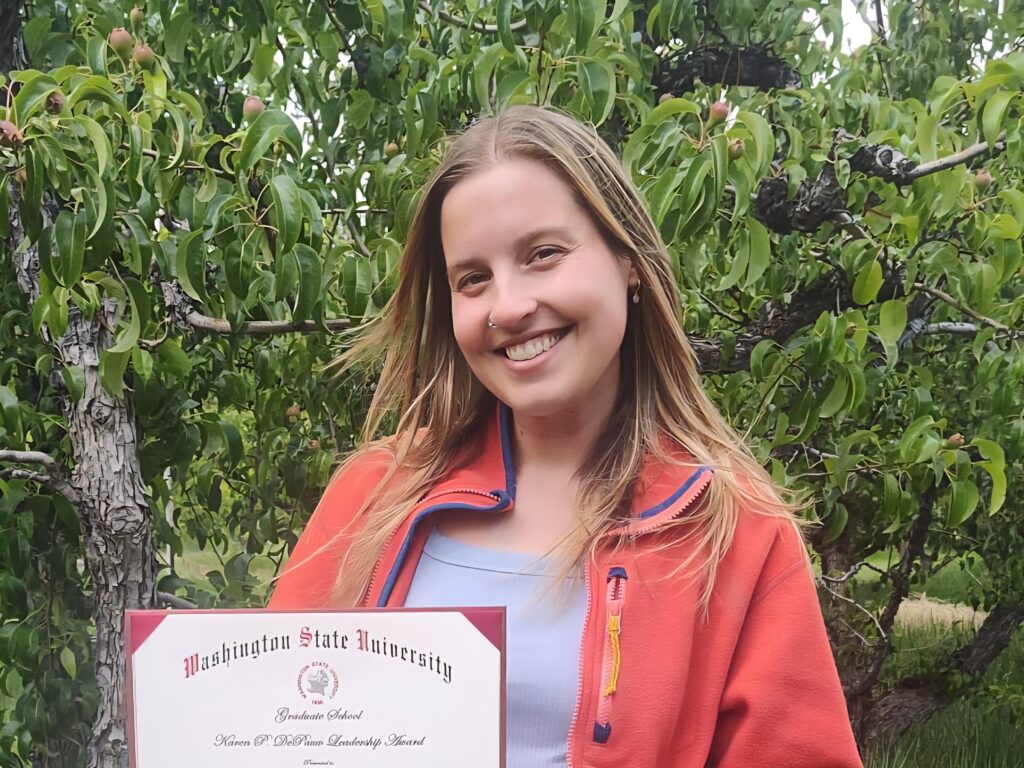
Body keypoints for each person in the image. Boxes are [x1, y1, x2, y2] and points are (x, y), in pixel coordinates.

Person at [268, 105, 864, 768]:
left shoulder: (734, 532)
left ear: (627, 261)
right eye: (474, 279)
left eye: (543, 255)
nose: (509, 306)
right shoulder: (371, 496)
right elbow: (273, 716)